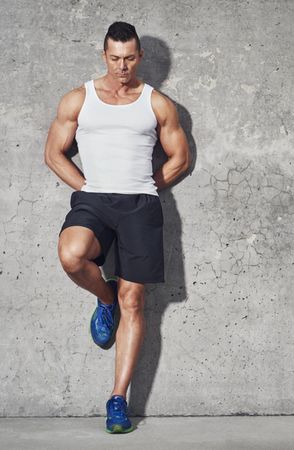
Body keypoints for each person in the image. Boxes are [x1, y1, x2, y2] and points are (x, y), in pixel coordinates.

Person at [43, 21, 189, 433]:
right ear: (104, 55)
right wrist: (87, 186)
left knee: (135, 302)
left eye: (128, 58)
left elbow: (179, 157)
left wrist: (145, 187)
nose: (121, 66)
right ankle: (102, 300)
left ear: (139, 57)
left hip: (140, 205)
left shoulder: (157, 103)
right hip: (94, 201)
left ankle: (117, 399)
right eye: (114, 58)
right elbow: (54, 153)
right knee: (71, 256)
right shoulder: (79, 98)